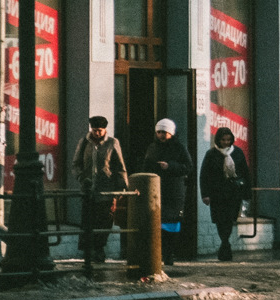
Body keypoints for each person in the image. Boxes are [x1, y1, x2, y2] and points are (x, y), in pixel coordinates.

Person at [71, 116, 128, 274]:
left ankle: (99, 249)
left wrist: (122, 187)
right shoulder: (84, 143)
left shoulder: (112, 143)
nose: (97, 133)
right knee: (88, 220)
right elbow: (76, 164)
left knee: (104, 221)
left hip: (106, 190)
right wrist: (81, 177)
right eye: (94, 130)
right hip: (88, 190)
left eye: (99, 130)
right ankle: (88, 252)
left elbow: (119, 166)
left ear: (105, 130)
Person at [142, 118, 193, 265]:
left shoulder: (179, 147)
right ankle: (159, 253)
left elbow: (188, 167)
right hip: (156, 190)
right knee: (157, 222)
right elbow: (146, 166)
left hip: (174, 191)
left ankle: (169, 253)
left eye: (164, 132)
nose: (161, 135)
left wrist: (170, 166)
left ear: (170, 132)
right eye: (158, 132)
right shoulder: (152, 147)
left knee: (172, 222)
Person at [198, 127, 251, 262]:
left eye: (228, 140)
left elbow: (245, 172)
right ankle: (225, 245)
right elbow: (204, 175)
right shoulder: (211, 154)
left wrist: (246, 193)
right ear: (218, 140)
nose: (226, 143)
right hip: (217, 193)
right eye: (223, 140)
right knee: (220, 220)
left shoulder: (237, 152)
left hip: (234, 193)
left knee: (229, 219)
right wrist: (205, 194)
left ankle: (225, 244)